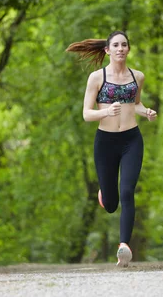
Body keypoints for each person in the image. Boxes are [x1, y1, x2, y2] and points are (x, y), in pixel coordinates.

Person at [66, 30, 157, 267]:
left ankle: (124, 248)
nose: (120, 48)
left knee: (127, 191)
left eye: (124, 45)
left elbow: (136, 104)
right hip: (105, 142)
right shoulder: (97, 78)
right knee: (111, 204)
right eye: (115, 45)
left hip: (131, 140)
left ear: (128, 49)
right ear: (107, 50)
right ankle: (104, 196)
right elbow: (86, 114)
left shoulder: (138, 76)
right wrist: (106, 111)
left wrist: (146, 111)